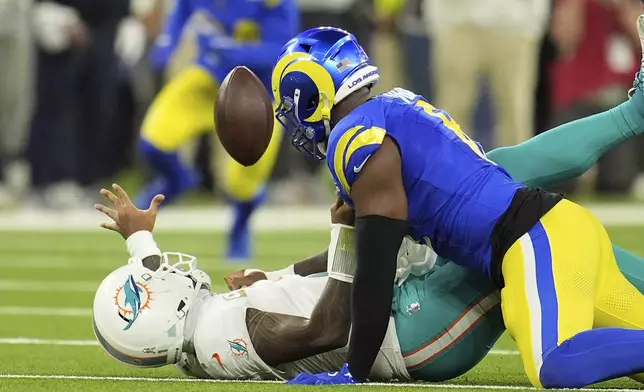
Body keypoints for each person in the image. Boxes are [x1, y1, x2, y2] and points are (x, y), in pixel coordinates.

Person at [94, 89, 644, 381]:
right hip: (411, 335)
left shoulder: (202, 322)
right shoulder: (216, 337)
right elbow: (327, 329)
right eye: (157, 278)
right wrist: (345, 236)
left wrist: (138, 240)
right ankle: (632, 114)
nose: (167, 270)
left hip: (403, 311)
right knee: (507, 214)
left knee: (503, 199)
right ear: (157, 313)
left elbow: (157, 299)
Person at [270, 22, 644, 388]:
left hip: (533, 240)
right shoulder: (393, 107)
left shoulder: (355, 136)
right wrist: (285, 273)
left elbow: (376, 265)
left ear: (311, 91)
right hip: (560, 230)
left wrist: (355, 370)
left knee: (556, 365)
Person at [135, 0, 299, 261]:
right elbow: (183, 9)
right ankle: (178, 180)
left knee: (242, 184)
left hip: (256, 94)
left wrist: (234, 51)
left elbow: (282, 51)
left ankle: (240, 226)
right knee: (154, 140)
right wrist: (168, 41)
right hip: (210, 78)